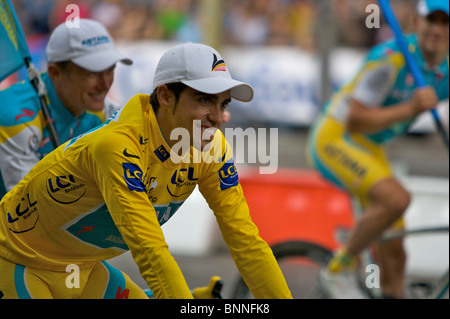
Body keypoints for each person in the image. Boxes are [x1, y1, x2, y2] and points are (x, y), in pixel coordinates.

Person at [0, 42, 293, 299]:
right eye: (204, 100)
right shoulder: (117, 145)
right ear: (165, 96)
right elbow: (151, 251)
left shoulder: (211, 148)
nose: (216, 118)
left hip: (83, 270)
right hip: (19, 262)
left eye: (223, 103)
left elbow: (247, 242)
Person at [306, 0, 448, 299]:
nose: (437, 29)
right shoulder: (391, 59)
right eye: (430, 21)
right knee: (396, 199)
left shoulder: (446, 69)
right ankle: (337, 269)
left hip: (371, 149)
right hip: (336, 139)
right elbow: (355, 120)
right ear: (415, 23)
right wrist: (410, 107)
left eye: (445, 22)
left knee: (395, 255)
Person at [0, 18, 132, 200]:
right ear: (55, 73)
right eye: (93, 73)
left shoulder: (103, 110)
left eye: (110, 70)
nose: (105, 84)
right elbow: (27, 210)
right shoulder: (15, 115)